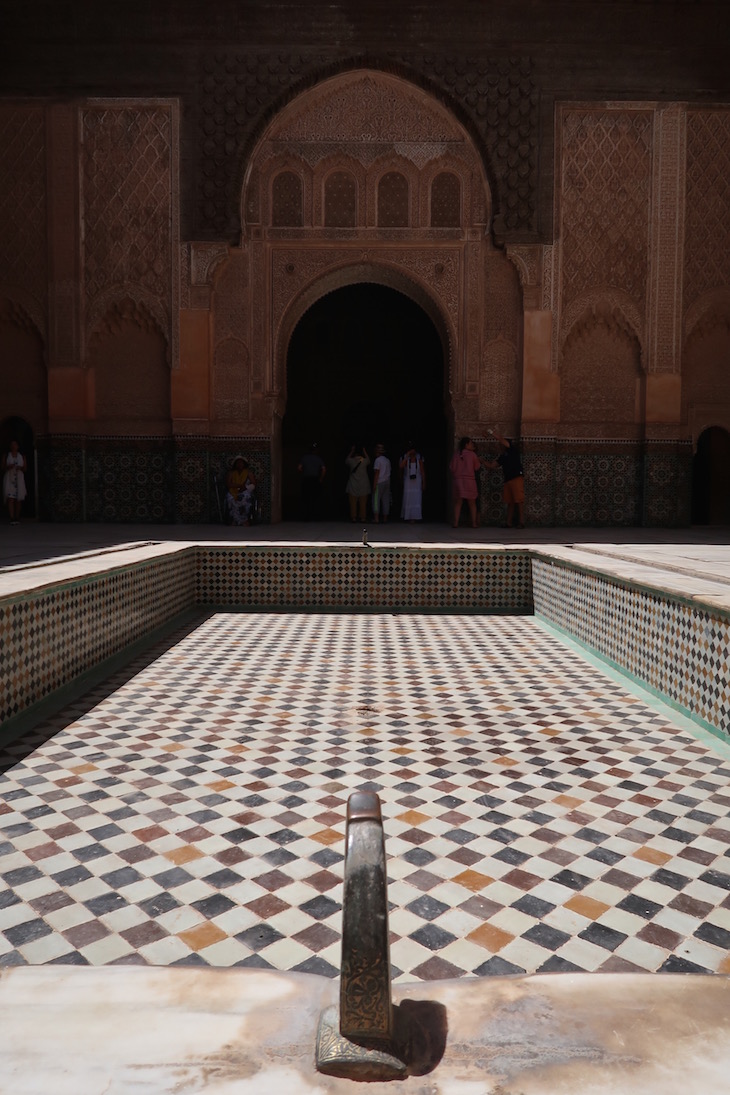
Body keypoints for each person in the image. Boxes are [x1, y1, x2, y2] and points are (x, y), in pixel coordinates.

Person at [484, 432, 525, 528]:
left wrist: (490, 432)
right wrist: (481, 461)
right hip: (507, 480)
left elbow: (501, 439)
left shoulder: (512, 450)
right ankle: (508, 523)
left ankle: (521, 522)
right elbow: (492, 466)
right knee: (510, 502)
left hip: (516, 478)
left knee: (519, 500)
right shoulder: (502, 457)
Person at [450, 436, 488, 528]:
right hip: (469, 481)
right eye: (471, 443)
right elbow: (477, 467)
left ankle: (455, 523)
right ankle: (474, 523)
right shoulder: (472, 455)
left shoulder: (456, 455)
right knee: (472, 503)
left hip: (458, 481)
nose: (472, 445)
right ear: (466, 445)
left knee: (458, 502)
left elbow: (451, 468)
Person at [298, 442, 326, 520]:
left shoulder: (304, 458)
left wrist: (304, 472)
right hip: (315, 479)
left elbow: (299, 468)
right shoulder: (318, 459)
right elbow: (323, 469)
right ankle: (315, 515)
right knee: (315, 497)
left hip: (306, 479)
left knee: (306, 497)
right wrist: (321, 478)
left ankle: (306, 516)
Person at [226, 455, 256, 526]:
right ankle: (235, 520)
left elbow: (253, 483)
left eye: (241, 463)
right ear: (235, 464)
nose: (239, 464)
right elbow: (228, 484)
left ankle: (244, 520)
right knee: (231, 499)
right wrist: (238, 485)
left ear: (244, 464)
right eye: (238, 463)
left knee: (244, 498)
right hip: (233, 490)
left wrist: (245, 487)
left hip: (245, 490)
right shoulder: (231, 473)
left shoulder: (248, 473)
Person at [3, 440, 27, 525]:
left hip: (19, 478)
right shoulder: (6, 456)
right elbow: (3, 468)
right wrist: (9, 467)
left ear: (18, 446)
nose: (14, 446)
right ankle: (12, 517)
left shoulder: (22, 456)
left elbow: (25, 469)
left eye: (15, 444)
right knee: (11, 498)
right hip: (10, 478)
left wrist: (20, 468)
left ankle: (17, 517)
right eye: (12, 444)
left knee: (18, 499)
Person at [399, 442, 425, 522]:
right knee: (408, 498)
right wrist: (407, 455)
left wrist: (424, 482)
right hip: (408, 481)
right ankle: (408, 516)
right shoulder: (405, 458)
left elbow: (423, 472)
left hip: (417, 481)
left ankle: (414, 517)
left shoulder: (419, 459)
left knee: (416, 498)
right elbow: (401, 466)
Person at [345, 444, 370, 522]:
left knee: (353, 503)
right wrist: (365, 451)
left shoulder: (351, 461)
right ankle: (363, 518)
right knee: (363, 503)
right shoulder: (364, 461)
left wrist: (351, 451)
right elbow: (369, 459)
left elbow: (346, 460)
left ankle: (353, 517)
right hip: (364, 484)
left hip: (353, 484)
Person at [371, 442, 391, 523]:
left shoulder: (377, 460)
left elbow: (377, 473)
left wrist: (374, 484)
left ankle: (376, 518)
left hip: (379, 481)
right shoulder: (387, 460)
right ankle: (385, 518)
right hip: (387, 481)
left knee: (376, 500)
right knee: (386, 500)